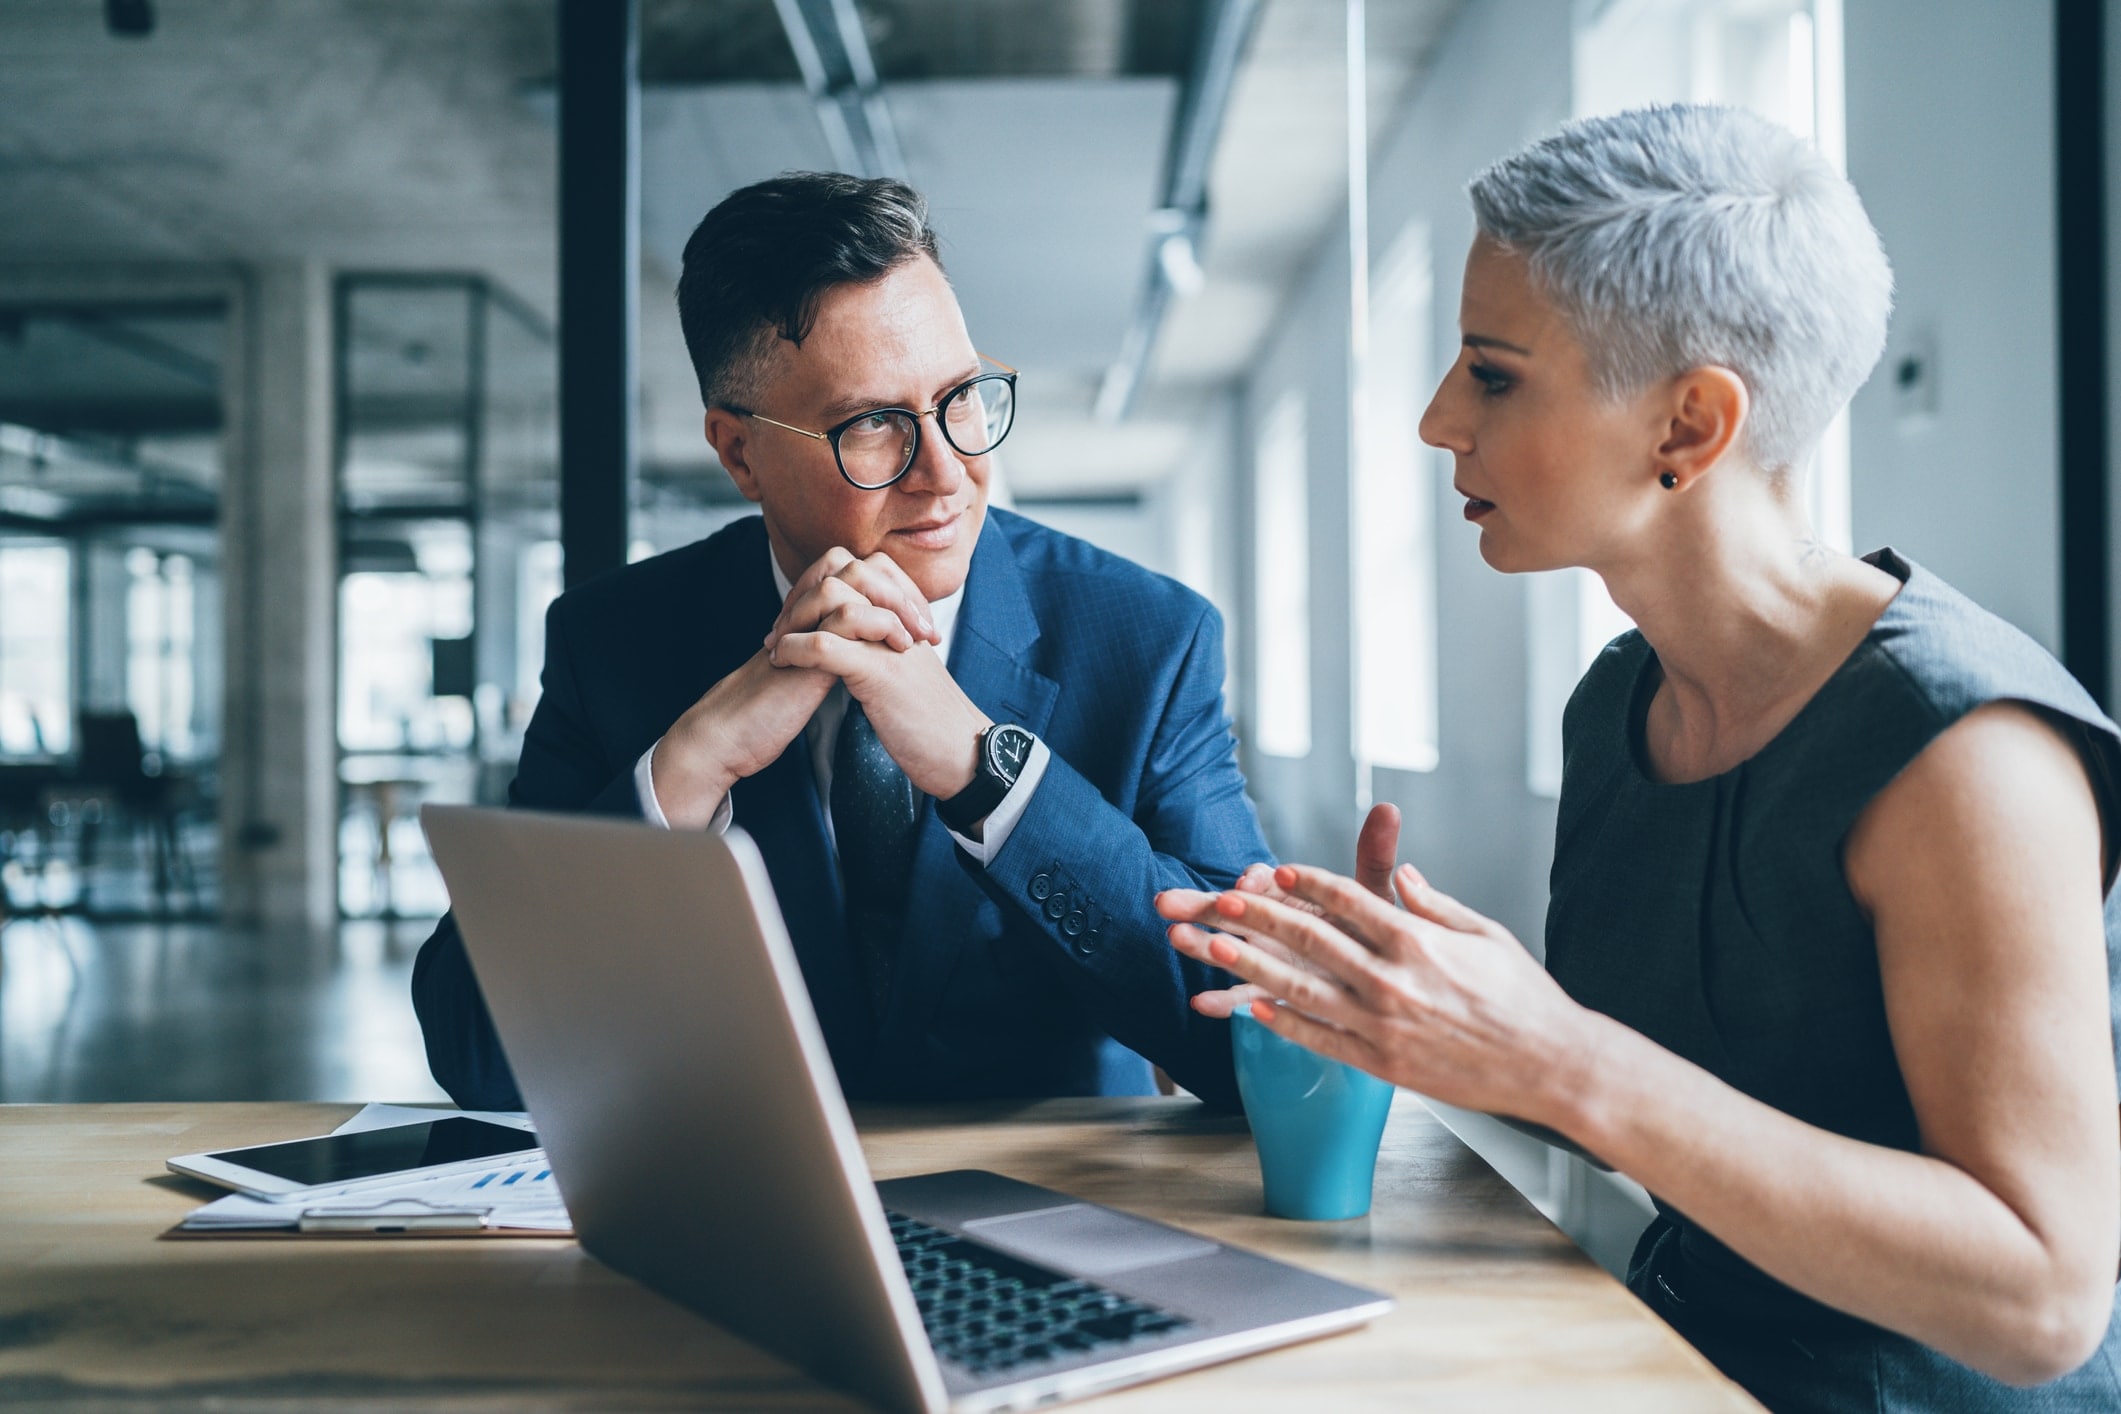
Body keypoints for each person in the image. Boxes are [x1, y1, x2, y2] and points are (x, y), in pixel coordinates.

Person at [1158, 105, 2121, 1411]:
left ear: (1687, 426)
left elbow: (2045, 1299)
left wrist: (1554, 1052)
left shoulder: (1967, 758)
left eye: (1492, 373)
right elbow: (1669, 1114)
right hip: (1667, 1364)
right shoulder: (1618, 704)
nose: (1442, 420)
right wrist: (1424, 1001)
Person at [416, 172, 1264, 1113]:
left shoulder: (1149, 639)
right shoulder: (614, 642)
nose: (948, 473)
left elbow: (1250, 1037)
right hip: (747, 1212)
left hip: (1062, 1209)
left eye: (962, 396)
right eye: (872, 426)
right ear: (738, 454)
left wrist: (992, 776)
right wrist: (691, 766)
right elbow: (476, 1050)